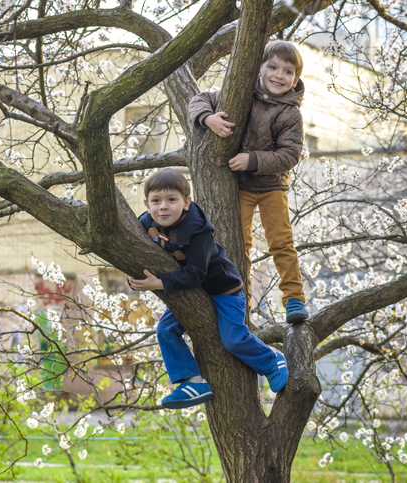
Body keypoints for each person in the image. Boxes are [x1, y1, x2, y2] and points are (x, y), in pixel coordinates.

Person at [129, 169, 288, 409]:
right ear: (146, 204)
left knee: (233, 340)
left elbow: (196, 273)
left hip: (223, 290)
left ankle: (272, 361)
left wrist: (160, 283)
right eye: (156, 201)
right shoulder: (145, 223)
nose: (163, 207)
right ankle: (192, 382)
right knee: (165, 329)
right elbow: (132, 256)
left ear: (186, 202)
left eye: (172, 200)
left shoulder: (199, 229)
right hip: (190, 291)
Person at [189, 39, 309, 324]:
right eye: (273, 67)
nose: (279, 75)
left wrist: (252, 159)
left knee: (281, 242)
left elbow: (290, 154)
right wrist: (208, 119)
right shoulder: (239, 94)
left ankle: (293, 298)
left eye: (288, 71)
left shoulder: (290, 113)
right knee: (237, 243)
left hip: (271, 187)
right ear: (259, 69)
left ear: (296, 79)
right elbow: (198, 99)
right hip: (239, 187)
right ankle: (242, 300)